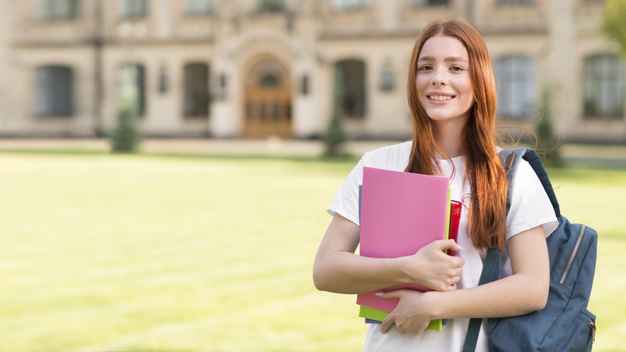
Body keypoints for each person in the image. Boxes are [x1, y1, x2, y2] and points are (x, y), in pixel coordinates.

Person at [312, 18, 558, 352]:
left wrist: (434, 305)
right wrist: (411, 269)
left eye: (456, 67)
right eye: (425, 67)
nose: (438, 78)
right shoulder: (378, 164)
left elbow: (533, 287)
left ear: (479, 80)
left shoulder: (511, 173)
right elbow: (325, 270)